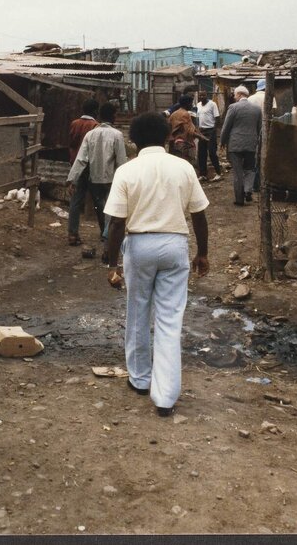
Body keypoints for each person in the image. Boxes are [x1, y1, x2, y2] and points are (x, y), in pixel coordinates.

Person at [104, 112, 210, 417]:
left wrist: (113, 265)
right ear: (167, 137)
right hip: (175, 245)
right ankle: (165, 397)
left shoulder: (127, 171)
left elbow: (116, 223)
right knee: (169, 319)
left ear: (133, 140)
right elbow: (199, 215)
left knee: (137, 312)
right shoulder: (184, 168)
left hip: (139, 246)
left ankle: (140, 379)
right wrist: (202, 253)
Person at [66, 102, 127, 257]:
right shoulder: (117, 135)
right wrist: (125, 181)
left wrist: (72, 178)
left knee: (98, 207)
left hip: (93, 177)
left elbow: (80, 159)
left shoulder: (90, 134)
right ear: (113, 116)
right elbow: (121, 161)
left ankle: (79, 235)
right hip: (110, 178)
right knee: (109, 211)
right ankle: (107, 246)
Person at [220, 85, 262, 206]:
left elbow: (226, 127)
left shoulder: (233, 107)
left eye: (235, 95)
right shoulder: (257, 109)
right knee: (250, 169)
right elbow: (259, 129)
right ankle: (248, 190)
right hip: (251, 144)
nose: (234, 97)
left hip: (235, 144)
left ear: (239, 95)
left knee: (238, 172)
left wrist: (222, 142)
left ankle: (239, 199)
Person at [66, 98, 100, 246]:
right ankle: (105, 233)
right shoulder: (95, 126)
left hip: (76, 166)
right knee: (99, 200)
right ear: (95, 111)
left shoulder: (75, 123)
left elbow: (72, 143)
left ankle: (72, 234)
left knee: (75, 201)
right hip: (91, 168)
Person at [195, 89, 223, 182]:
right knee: (201, 154)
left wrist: (214, 131)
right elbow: (197, 118)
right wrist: (198, 130)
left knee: (212, 153)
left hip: (210, 131)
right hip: (202, 131)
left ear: (206, 95)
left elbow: (217, 119)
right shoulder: (198, 105)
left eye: (203, 95)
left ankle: (219, 173)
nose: (201, 97)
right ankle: (203, 174)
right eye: (200, 95)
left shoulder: (212, 104)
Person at [167, 94, 202, 162]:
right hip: (184, 145)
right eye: (191, 103)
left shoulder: (174, 114)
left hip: (174, 144)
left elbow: (169, 128)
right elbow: (189, 131)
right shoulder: (185, 114)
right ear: (187, 104)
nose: (192, 105)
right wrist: (201, 137)